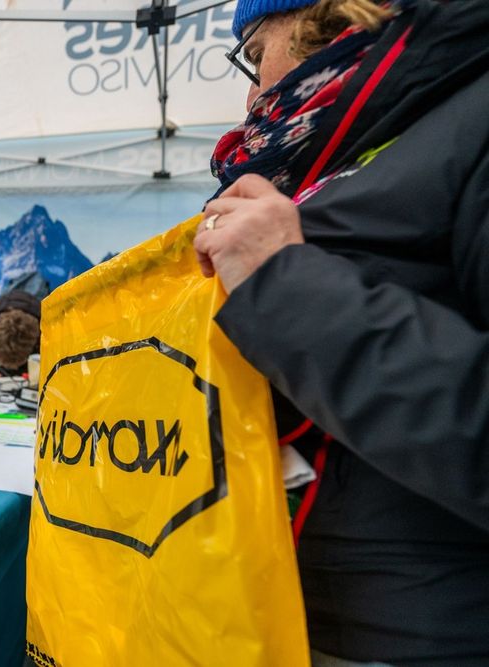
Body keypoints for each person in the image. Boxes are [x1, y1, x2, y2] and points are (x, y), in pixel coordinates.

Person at [195, 0, 489, 664]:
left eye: (254, 52)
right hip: (277, 603)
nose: (250, 92)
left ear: (320, 17)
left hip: (413, 636)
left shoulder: (469, 116)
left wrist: (283, 284)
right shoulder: (345, 144)